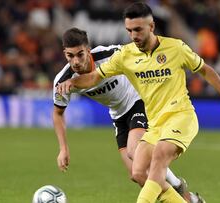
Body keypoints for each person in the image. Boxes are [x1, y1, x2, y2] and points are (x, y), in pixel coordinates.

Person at [57, 2, 220, 202]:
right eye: (129, 30)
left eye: (138, 29)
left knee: (159, 156)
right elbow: (94, 77)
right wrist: (72, 82)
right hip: (155, 125)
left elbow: (204, 69)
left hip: (180, 116)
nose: (133, 35)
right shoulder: (126, 55)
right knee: (138, 173)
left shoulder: (175, 48)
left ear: (152, 27)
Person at [52, 27, 200, 202]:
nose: (75, 61)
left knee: (134, 152)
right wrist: (63, 148)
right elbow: (58, 113)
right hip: (118, 116)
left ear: (88, 50)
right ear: (64, 54)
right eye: (70, 56)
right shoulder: (62, 82)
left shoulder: (110, 54)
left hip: (139, 101)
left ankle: (177, 185)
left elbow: (139, 53)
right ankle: (187, 197)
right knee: (137, 175)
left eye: (80, 54)